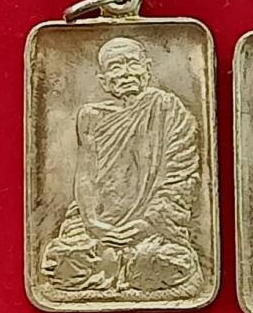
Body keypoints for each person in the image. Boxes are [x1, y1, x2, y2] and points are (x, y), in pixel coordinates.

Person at [42, 37, 202, 295]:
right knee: (65, 260)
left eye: (132, 64)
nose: (126, 73)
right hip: (97, 221)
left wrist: (145, 224)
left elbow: (180, 177)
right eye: (115, 67)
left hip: (153, 224)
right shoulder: (90, 116)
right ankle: (118, 263)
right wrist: (93, 224)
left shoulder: (167, 108)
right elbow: (85, 175)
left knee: (159, 260)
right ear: (104, 80)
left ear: (147, 69)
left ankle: (126, 262)